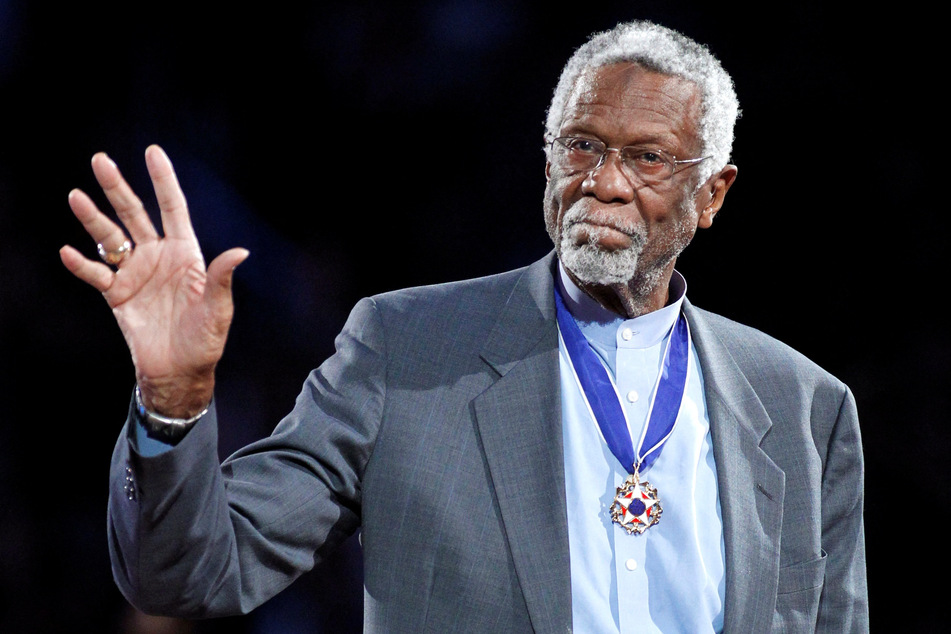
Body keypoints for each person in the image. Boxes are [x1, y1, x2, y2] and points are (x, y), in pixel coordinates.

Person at [60, 20, 868, 633]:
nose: (604, 183)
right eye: (580, 146)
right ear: (547, 159)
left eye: (647, 158)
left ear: (712, 194)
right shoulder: (405, 349)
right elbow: (189, 576)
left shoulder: (803, 407)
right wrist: (172, 399)